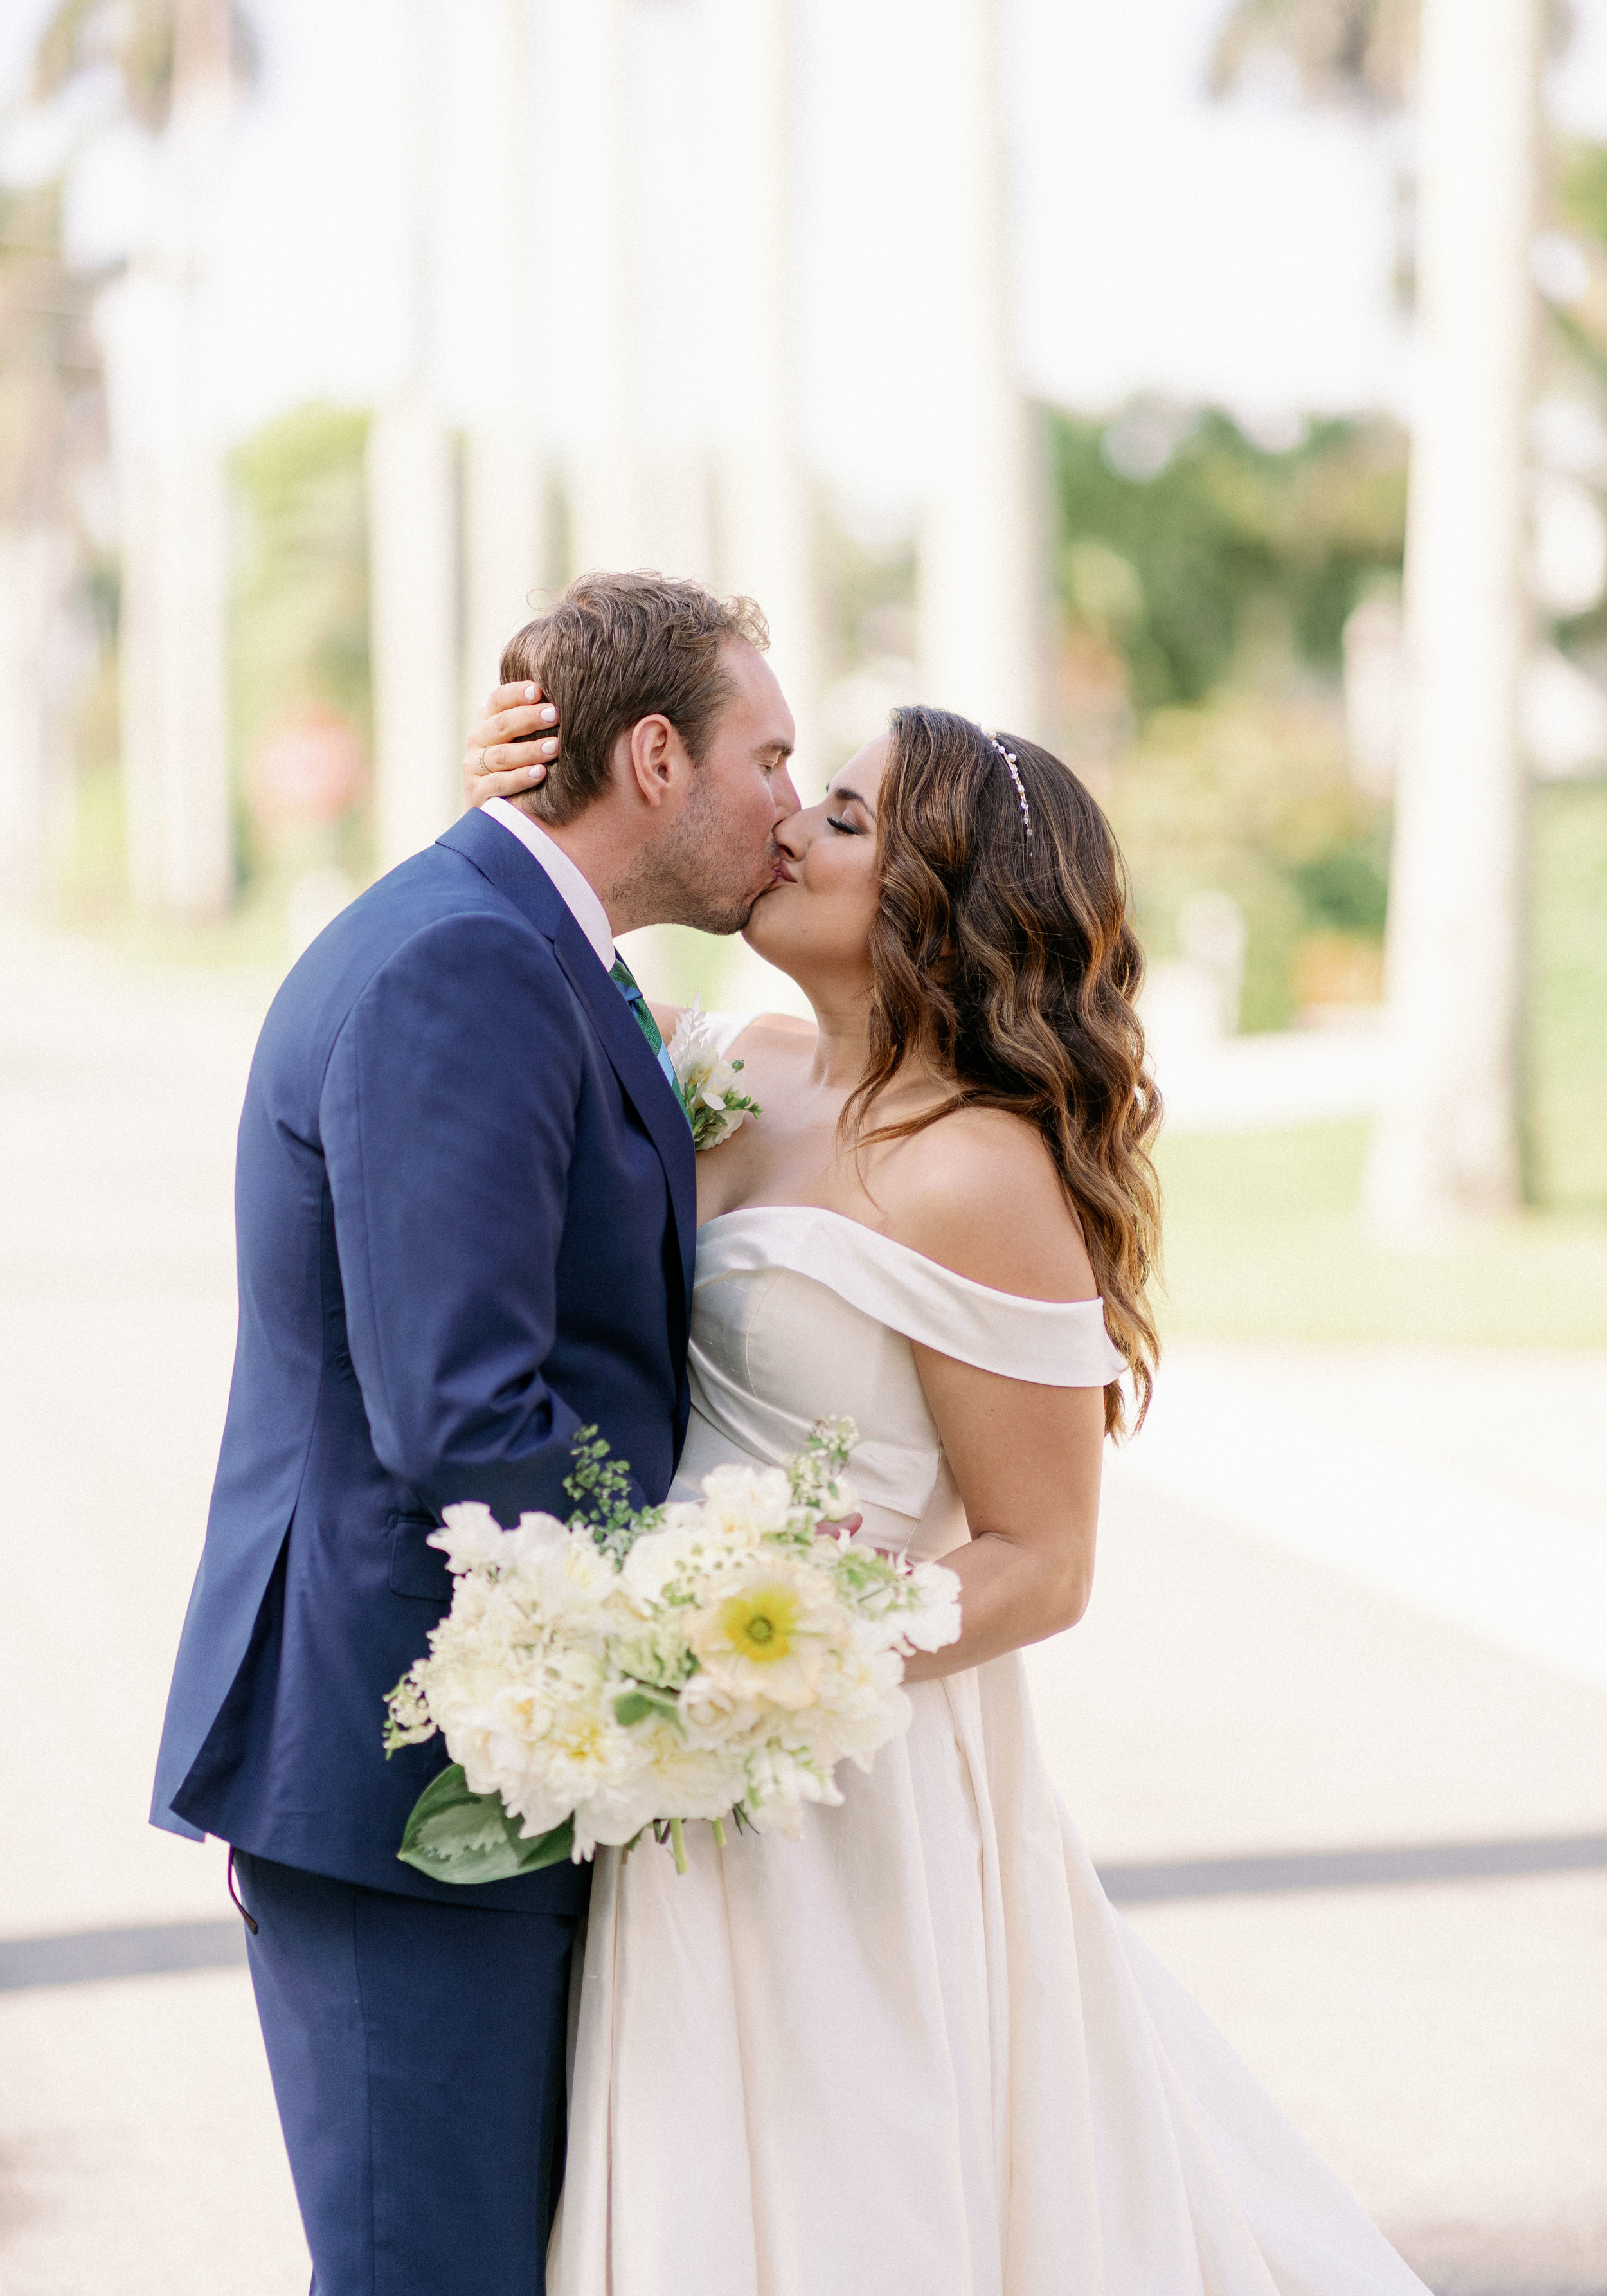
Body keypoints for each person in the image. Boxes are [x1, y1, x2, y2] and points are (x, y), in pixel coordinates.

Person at [462, 686, 1430, 2293]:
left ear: (932, 896)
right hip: (667, 1738)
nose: (788, 825)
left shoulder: (975, 1173)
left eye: (840, 816)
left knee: (859, 2183)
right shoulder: (732, 1064)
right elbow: (538, 973)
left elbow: (1042, 1560)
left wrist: (761, 1663)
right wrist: (520, 801)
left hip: (844, 1767)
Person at [149, 573, 800, 2296]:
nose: (789, 807)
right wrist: (714, 1650)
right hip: (407, 1768)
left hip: (480, 1754)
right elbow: (468, 1411)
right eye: (770, 755)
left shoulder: (520, 942)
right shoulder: (466, 966)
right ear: (653, 757)